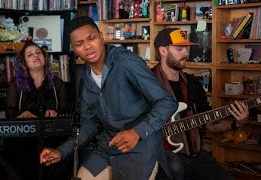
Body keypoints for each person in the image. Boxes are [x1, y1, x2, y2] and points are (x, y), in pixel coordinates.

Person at [39, 16, 178, 180]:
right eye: (79, 44)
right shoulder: (84, 76)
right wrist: (61, 152)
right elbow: (89, 125)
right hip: (108, 147)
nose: (87, 46)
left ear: (101, 36)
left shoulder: (126, 62)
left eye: (92, 38)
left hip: (141, 145)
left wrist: (137, 132)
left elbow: (167, 102)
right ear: (74, 49)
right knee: (82, 177)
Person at [153, 28, 249, 180]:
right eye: (179, 49)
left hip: (194, 156)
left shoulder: (192, 84)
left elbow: (209, 125)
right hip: (159, 159)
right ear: (163, 50)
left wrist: (236, 124)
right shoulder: (147, 82)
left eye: (187, 48)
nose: (186, 53)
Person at [4, 40, 69, 180]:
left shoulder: (58, 84)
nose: (36, 56)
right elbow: (9, 113)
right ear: (24, 62)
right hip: (24, 142)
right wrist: (21, 114)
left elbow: (67, 113)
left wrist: (56, 113)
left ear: (45, 57)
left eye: (38, 52)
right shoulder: (16, 84)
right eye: (30, 54)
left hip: (53, 141)